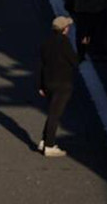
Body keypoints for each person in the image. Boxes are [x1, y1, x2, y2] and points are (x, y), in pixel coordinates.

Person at [38, 15, 79, 157]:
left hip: (48, 83)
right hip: (62, 83)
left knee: (52, 112)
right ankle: (49, 145)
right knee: (55, 114)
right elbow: (74, 61)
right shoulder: (64, 43)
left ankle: (44, 140)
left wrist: (41, 85)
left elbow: (42, 66)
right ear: (64, 29)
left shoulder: (46, 43)